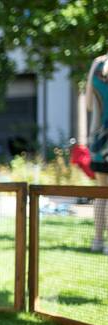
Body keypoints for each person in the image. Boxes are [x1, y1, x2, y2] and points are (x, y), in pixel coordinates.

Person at [86, 54, 108, 255]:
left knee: (102, 193)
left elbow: (89, 105)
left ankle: (98, 241)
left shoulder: (98, 64)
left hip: (100, 140)